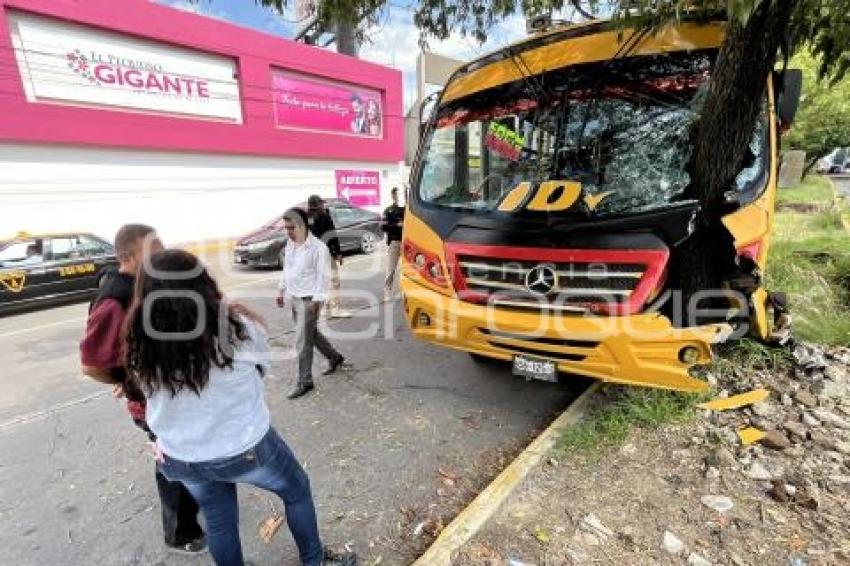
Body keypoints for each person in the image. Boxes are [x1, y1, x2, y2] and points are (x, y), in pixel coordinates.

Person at [123, 249, 355, 566]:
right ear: (203, 282)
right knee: (297, 490)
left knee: (219, 522)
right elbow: (260, 368)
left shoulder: (138, 343)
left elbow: (141, 393)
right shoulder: (236, 325)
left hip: (182, 455)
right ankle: (315, 562)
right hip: (244, 445)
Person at [80, 224, 206, 555]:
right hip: (149, 401)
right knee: (172, 460)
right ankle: (180, 532)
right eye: (153, 248)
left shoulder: (144, 284)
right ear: (128, 256)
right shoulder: (113, 300)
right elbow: (92, 365)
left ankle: (197, 499)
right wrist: (125, 382)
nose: (161, 252)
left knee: (186, 450)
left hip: (167, 390)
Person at [276, 208, 346, 400]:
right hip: (295, 297)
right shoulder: (291, 244)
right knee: (310, 334)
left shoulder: (318, 248)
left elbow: (323, 277)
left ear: (303, 225)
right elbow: (287, 269)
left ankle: (305, 380)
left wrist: (317, 301)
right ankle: (334, 357)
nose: (288, 232)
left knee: (302, 340)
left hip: (310, 300)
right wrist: (281, 290)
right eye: (286, 228)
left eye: (292, 227)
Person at [306, 195, 346, 318]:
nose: (323, 205)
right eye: (321, 203)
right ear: (318, 204)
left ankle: (325, 307)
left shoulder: (306, 217)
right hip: (326, 252)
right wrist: (337, 253)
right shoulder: (324, 215)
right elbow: (331, 235)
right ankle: (335, 308)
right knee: (334, 280)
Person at [381, 187, 405, 300]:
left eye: (401, 194)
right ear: (393, 196)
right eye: (397, 194)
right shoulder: (388, 210)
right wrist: (396, 225)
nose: (399, 197)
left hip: (407, 243)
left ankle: (404, 291)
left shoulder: (408, 210)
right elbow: (383, 226)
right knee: (391, 268)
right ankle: (387, 291)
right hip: (394, 242)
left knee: (407, 269)